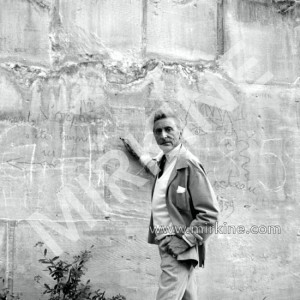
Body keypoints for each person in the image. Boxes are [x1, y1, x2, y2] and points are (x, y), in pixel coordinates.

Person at [122, 109, 219, 300]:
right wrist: (136, 151)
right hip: (166, 241)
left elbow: (209, 213)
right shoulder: (164, 162)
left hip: (179, 243)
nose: (163, 135)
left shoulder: (188, 164)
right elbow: (153, 168)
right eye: (158, 131)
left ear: (180, 132)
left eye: (168, 129)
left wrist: (184, 241)